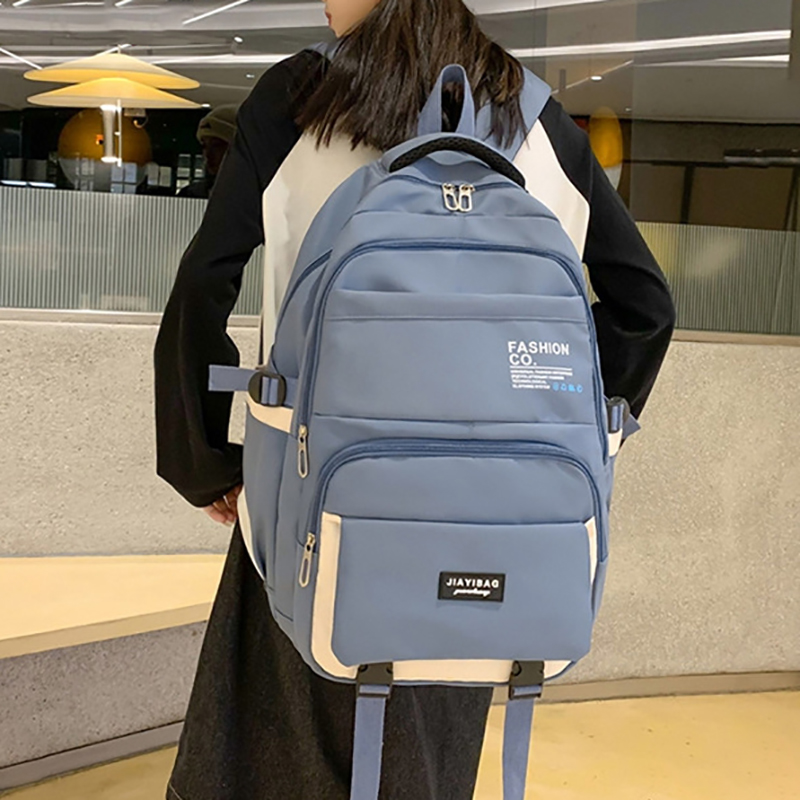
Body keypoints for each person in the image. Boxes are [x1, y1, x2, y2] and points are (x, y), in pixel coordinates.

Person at [154, 0, 676, 797]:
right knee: (425, 757)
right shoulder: (531, 116)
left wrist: (204, 462)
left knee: (262, 759)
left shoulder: (302, 99)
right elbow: (646, 308)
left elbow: (203, 285)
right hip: (489, 528)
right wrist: (562, 436)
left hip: (312, 502)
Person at [177, 104, 238, 199]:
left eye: (217, 146)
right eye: (204, 146)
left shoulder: (254, 196)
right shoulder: (191, 194)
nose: (208, 154)